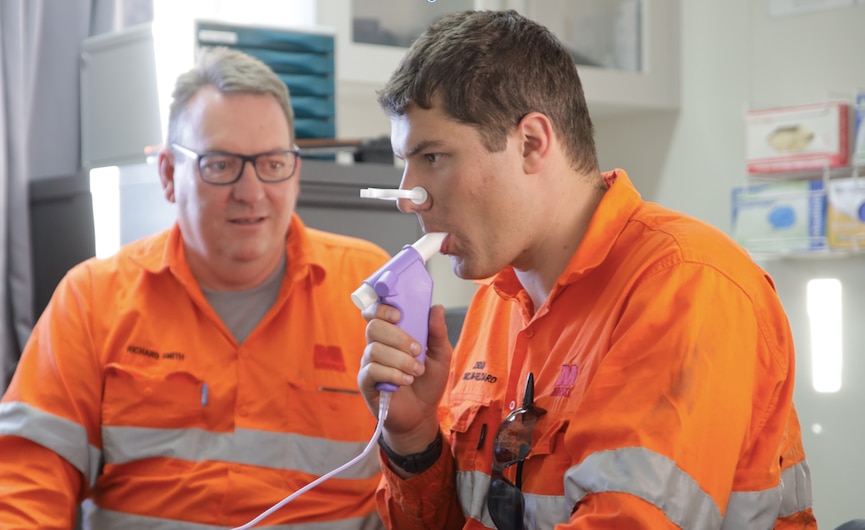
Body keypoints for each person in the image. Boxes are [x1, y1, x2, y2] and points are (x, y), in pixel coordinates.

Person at [357, 10, 818, 530]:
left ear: (532, 143)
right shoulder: (496, 300)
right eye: (405, 161)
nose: (408, 196)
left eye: (433, 157)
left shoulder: (688, 284)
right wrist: (413, 438)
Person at [0, 46, 389, 529]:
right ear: (168, 174)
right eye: (221, 164)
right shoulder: (93, 298)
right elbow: (26, 482)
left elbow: (419, 475)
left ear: (295, 173)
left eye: (271, 164)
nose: (251, 193)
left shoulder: (370, 289)